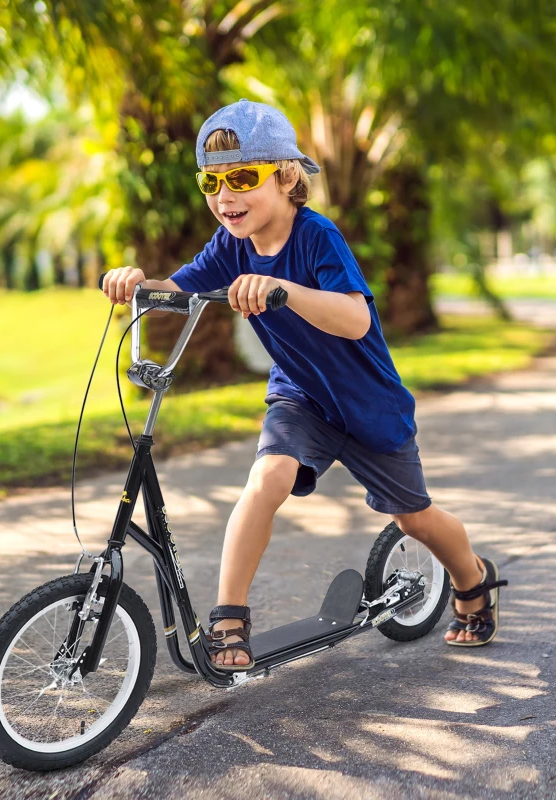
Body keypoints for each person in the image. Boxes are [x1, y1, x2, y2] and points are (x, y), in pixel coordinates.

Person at [102, 99, 507, 670]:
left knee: (413, 518)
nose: (225, 196)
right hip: (300, 397)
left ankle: (471, 580)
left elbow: (355, 317)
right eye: (211, 182)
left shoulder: (316, 237)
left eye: (242, 178)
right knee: (267, 477)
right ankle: (230, 620)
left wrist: (281, 290)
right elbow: (178, 291)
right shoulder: (231, 245)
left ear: (287, 177)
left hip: (369, 407)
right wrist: (137, 284)